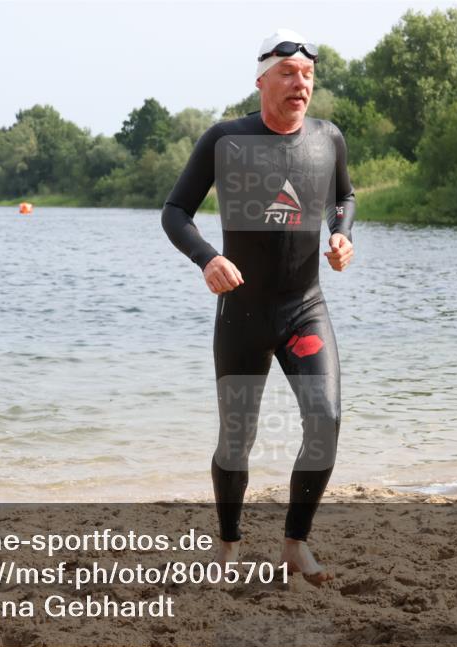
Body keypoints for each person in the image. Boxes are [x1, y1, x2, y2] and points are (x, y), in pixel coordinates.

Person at [162, 28, 355, 584]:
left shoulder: (328, 138)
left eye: (309, 77)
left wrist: (342, 234)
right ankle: (227, 545)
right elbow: (175, 211)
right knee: (237, 439)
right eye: (289, 75)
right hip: (242, 313)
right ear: (262, 80)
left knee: (326, 420)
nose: (301, 85)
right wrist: (206, 259)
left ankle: (295, 543)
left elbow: (345, 196)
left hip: (305, 309)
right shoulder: (226, 140)